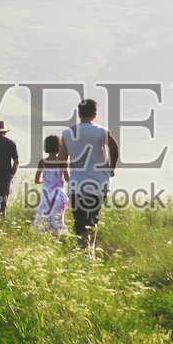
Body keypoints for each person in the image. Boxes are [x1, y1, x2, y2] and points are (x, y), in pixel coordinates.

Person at [60, 98, 119, 254]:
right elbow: (114, 148)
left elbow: (62, 157)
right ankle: (90, 250)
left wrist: (66, 174)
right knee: (93, 217)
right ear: (95, 115)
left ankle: (85, 252)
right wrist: (112, 167)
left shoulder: (68, 134)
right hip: (100, 182)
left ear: (79, 114)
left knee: (80, 220)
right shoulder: (101, 132)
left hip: (78, 184)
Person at [33, 134, 69, 236]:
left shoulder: (42, 162)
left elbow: (37, 180)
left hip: (46, 195)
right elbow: (67, 178)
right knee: (58, 219)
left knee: (44, 218)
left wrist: (45, 180)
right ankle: (57, 237)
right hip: (59, 195)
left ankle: (44, 237)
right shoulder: (62, 161)